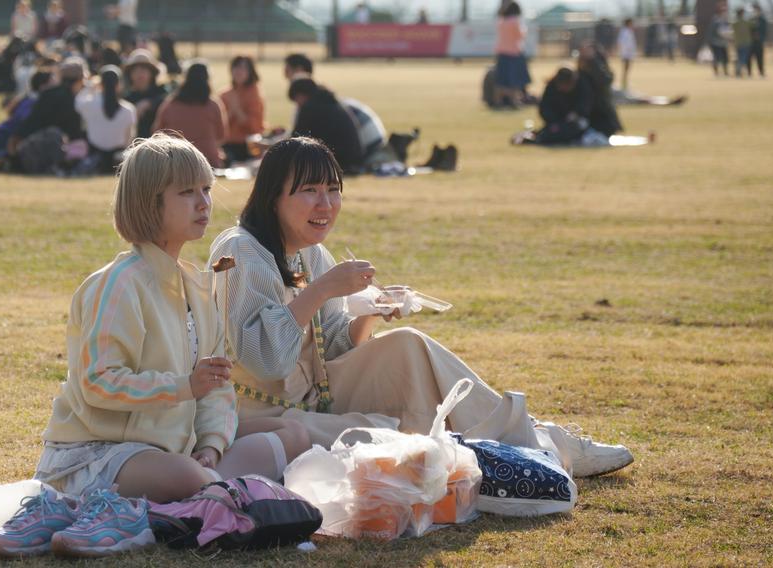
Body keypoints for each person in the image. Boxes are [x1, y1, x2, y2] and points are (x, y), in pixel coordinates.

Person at [208, 136, 635, 479]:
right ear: (273, 198)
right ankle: (528, 449)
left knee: (406, 345)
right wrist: (321, 290)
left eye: (333, 190)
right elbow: (264, 361)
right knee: (398, 437)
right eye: (309, 192)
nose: (326, 205)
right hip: (262, 417)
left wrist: (371, 311)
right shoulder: (243, 252)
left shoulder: (311, 254)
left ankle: (536, 439)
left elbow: (335, 350)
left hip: (314, 399)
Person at [0, 134, 311, 558]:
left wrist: (211, 443)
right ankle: (105, 509)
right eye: (186, 192)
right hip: (97, 454)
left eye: (207, 190)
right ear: (147, 202)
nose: (203, 203)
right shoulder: (118, 284)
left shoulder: (195, 285)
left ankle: (187, 496)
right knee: (182, 473)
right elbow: (99, 383)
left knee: (293, 433)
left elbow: (217, 386)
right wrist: (182, 388)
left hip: (171, 447)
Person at [152, 61, 227, 168]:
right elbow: (221, 136)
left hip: (174, 161)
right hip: (207, 162)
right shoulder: (213, 105)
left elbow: (156, 132)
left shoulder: (170, 104)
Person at [10, 57, 88, 154]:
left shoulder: (48, 94)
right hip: (61, 149)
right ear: (80, 79)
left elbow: (31, 122)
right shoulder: (81, 99)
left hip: (44, 147)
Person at [288, 79, 363, 174]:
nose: (297, 105)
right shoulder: (330, 102)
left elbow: (295, 140)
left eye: (296, 99)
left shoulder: (310, 107)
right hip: (353, 160)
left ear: (301, 94)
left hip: (339, 162)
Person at [75, 65, 136, 174]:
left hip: (94, 156)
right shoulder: (129, 109)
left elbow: (78, 101)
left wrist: (91, 87)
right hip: (118, 159)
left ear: (100, 84)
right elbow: (130, 139)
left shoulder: (89, 105)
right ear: (119, 85)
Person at [0, 70, 55, 158]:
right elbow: (24, 125)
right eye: (53, 83)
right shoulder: (32, 103)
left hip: (1, 138)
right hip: (1, 141)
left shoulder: (29, 99)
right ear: (43, 86)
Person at [220, 56, 265, 163]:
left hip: (247, 145)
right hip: (226, 144)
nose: (238, 71)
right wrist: (231, 112)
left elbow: (254, 128)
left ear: (250, 71)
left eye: (243, 68)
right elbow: (219, 127)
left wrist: (237, 110)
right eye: (236, 67)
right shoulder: (224, 94)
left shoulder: (255, 94)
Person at [535, 66, 592, 145]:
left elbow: (585, 105)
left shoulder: (582, 85)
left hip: (577, 121)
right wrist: (553, 121)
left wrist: (576, 114)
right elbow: (544, 108)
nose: (563, 89)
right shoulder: (551, 87)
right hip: (556, 122)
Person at [577, 42, 623, 137]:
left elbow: (605, 79)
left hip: (602, 119)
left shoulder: (601, 74)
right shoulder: (580, 76)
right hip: (587, 119)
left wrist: (592, 60)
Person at [123, 48, 168, 139]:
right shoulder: (126, 99)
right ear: (130, 75)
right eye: (135, 70)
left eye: (144, 69)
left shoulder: (161, 93)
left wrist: (150, 103)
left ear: (152, 73)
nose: (140, 74)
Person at [493, 1, 531, 108]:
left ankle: (498, 102)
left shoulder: (501, 21)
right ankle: (514, 101)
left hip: (501, 52)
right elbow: (520, 36)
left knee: (500, 79)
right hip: (514, 53)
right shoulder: (515, 22)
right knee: (515, 79)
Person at [708, 2, 730, 77]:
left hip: (724, 43)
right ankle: (716, 72)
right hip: (716, 43)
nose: (724, 12)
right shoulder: (715, 20)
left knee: (725, 58)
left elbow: (728, 31)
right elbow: (712, 32)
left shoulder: (726, 20)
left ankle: (725, 72)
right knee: (717, 58)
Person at [617, 18, 637, 91]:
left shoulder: (629, 31)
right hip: (626, 54)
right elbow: (622, 43)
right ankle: (624, 84)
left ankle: (625, 83)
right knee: (625, 69)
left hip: (628, 54)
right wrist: (625, 53)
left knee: (627, 69)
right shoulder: (624, 32)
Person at [732, 7, 753, 78]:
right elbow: (753, 25)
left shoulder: (734, 23)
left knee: (739, 57)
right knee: (743, 58)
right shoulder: (746, 22)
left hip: (738, 43)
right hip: (746, 43)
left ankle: (738, 70)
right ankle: (738, 70)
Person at [750, 3, 767, 77]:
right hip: (751, 42)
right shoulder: (751, 19)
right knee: (749, 57)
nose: (755, 11)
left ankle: (761, 72)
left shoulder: (763, 19)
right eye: (754, 9)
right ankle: (749, 72)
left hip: (759, 42)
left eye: (756, 9)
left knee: (760, 58)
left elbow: (765, 30)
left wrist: (760, 37)